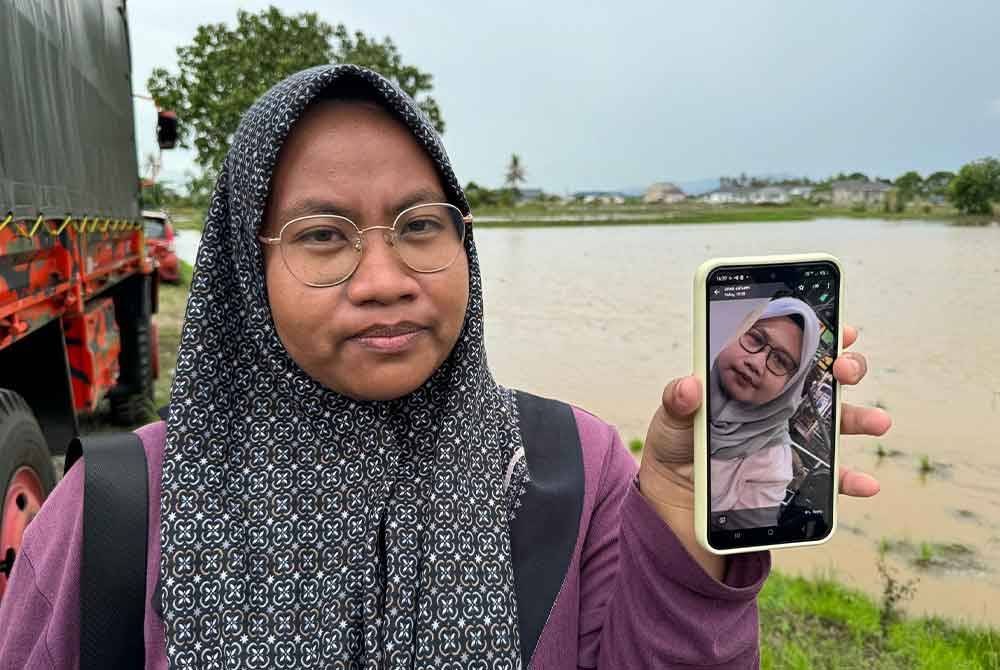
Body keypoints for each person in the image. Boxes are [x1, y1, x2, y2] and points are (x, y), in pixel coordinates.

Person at [0, 65, 889, 669]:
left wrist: (683, 522)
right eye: (320, 236)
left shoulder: (578, 468)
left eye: (422, 225)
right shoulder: (117, 510)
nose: (386, 281)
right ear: (243, 265)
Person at [709, 298, 821, 521]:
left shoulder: (772, 463)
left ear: (791, 386)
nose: (757, 364)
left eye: (781, 361)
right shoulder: (683, 388)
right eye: (755, 338)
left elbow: (745, 549)